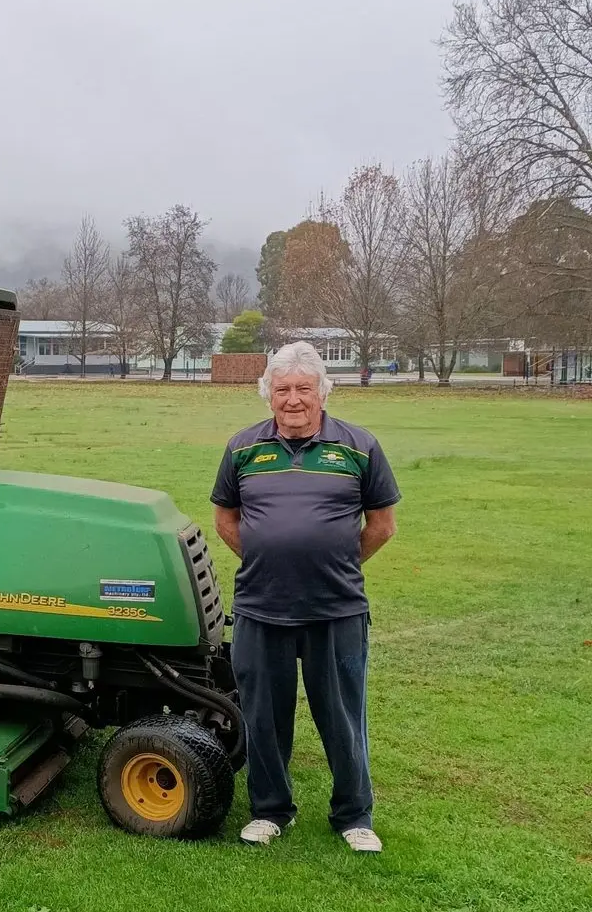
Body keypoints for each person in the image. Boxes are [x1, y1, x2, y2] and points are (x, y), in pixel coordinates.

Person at [210, 341, 399, 853]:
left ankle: (353, 815)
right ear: (268, 395)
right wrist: (263, 558)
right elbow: (225, 516)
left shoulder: (359, 447)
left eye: (303, 388)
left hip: (335, 608)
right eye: (282, 389)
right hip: (261, 607)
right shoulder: (243, 449)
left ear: (322, 392)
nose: (293, 399)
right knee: (264, 716)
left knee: (342, 714)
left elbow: (382, 525)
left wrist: (336, 564)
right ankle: (271, 811)